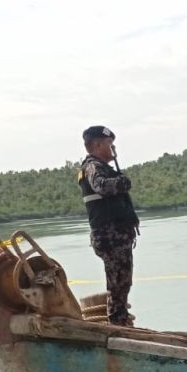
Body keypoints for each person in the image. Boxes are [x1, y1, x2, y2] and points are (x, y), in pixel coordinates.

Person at [78, 125, 139, 326]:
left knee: (123, 282)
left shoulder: (101, 166)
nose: (113, 149)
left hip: (117, 235)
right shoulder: (92, 166)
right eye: (109, 144)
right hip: (109, 236)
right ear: (97, 145)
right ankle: (117, 323)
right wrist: (122, 183)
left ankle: (120, 319)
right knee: (118, 283)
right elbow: (101, 186)